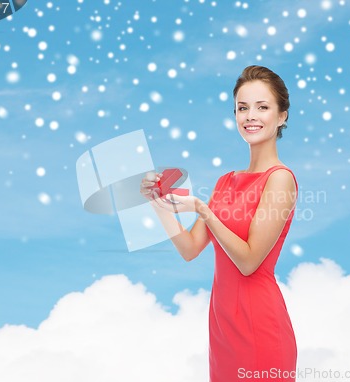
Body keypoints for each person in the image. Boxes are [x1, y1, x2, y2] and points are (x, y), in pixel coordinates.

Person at [140, 65, 298, 381]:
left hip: (260, 327)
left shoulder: (280, 180)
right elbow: (190, 249)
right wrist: (158, 205)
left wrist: (202, 209)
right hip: (223, 329)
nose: (250, 116)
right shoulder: (225, 182)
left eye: (262, 107)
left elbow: (250, 261)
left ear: (282, 116)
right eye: (242, 108)